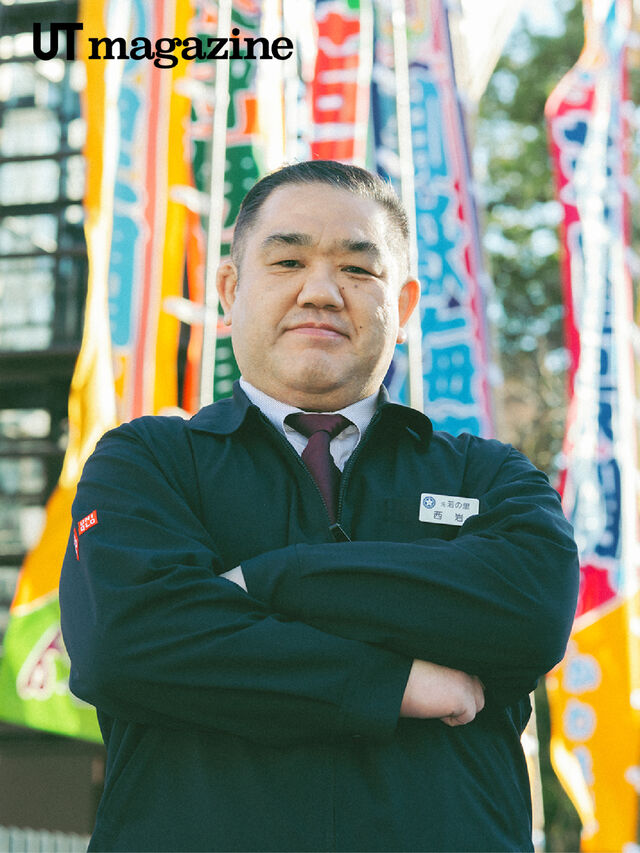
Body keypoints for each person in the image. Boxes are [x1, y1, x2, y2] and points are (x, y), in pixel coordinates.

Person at [59, 160, 579, 853]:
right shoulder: (148, 463)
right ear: (229, 289)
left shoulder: (487, 474)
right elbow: (126, 642)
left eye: (359, 271)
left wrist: (269, 580)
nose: (321, 291)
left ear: (406, 307)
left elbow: (530, 612)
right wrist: (391, 681)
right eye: (288, 260)